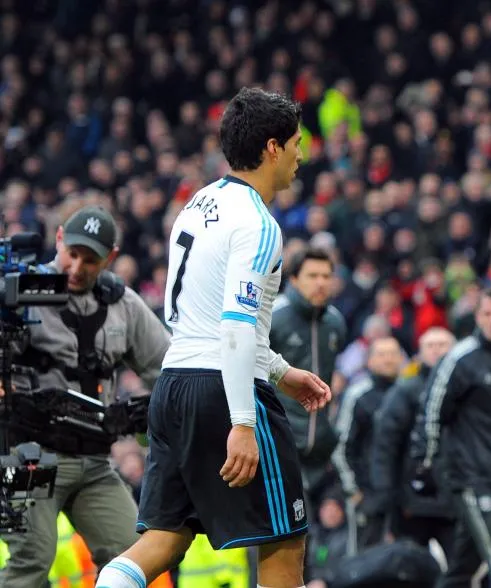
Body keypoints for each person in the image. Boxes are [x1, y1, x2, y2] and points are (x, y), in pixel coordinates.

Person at [95, 87, 332, 588]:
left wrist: (281, 371)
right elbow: (234, 324)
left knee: (163, 540)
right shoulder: (260, 223)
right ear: (272, 147)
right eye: (295, 143)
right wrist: (243, 422)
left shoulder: (196, 206)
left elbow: (202, 318)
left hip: (173, 385)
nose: (301, 155)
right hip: (222, 390)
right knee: (285, 541)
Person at [0, 205, 171, 588]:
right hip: (25, 456)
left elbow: (168, 368)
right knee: (33, 559)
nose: (77, 268)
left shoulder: (121, 304)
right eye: (72, 254)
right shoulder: (19, 289)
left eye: (90, 260)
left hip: (92, 462)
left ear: (109, 258)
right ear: (58, 240)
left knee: (135, 555)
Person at [420, 287, 491, 587]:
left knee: (464, 566)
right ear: (478, 317)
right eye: (487, 314)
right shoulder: (460, 358)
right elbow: (431, 412)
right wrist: (427, 464)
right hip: (467, 476)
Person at [271, 247, 347, 520]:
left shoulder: (335, 322)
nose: (321, 283)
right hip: (279, 446)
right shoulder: (272, 317)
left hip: (320, 451)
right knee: (285, 533)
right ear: (293, 280)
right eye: (312, 275)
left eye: (327, 276)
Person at [370, 326, 456, 559]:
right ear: (419, 353)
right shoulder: (405, 390)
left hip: (454, 497)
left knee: (461, 570)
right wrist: (385, 494)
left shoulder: (465, 386)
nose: (437, 350)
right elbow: (386, 445)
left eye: (443, 344)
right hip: (411, 500)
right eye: (430, 345)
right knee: (409, 568)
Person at [331, 335, 405, 553]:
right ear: (369, 361)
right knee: (364, 559)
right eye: (381, 354)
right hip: (367, 492)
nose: (388, 360)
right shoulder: (356, 395)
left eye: (393, 354)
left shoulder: (408, 392)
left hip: (403, 495)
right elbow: (340, 447)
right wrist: (354, 489)